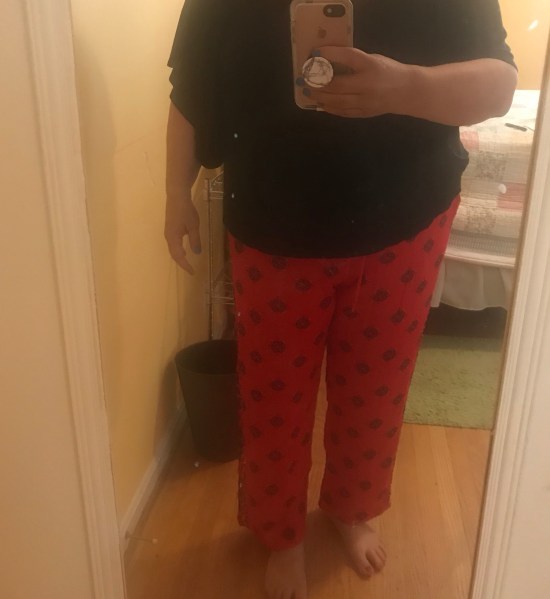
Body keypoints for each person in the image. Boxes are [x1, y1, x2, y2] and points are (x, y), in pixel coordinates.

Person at [165, 1, 517, 598]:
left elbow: (499, 84)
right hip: (274, 229)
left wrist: (403, 87)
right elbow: (192, 88)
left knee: (376, 388)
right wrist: (176, 192)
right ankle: (282, 535)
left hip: (405, 222)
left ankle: (351, 509)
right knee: (273, 395)